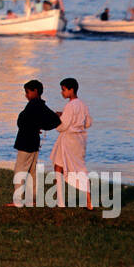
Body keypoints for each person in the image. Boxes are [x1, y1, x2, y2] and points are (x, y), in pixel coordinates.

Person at [10, 79, 61, 206]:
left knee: (20, 170)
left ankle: (18, 200)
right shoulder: (40, 105)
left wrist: (37, 126)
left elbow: (21, 121)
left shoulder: (34, 104)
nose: (26, 95)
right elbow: (54, 120)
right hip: (33, 142)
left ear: (35, 91)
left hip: (25, 142)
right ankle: (32, 199)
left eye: (27, 92)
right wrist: (39, 125)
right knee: (32, 171)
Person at [51, 78, 94, 209]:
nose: (62, 92)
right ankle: (89, 202)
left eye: (64, 90)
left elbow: (62, 126)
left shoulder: (70, 105)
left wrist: (58, 117)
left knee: (59, 167)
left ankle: (61, 202)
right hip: (80, 140)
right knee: (81, 168)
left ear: (71, 90)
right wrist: (65, 116)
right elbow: (88, 123)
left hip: (68, 140)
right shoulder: (83, 104)